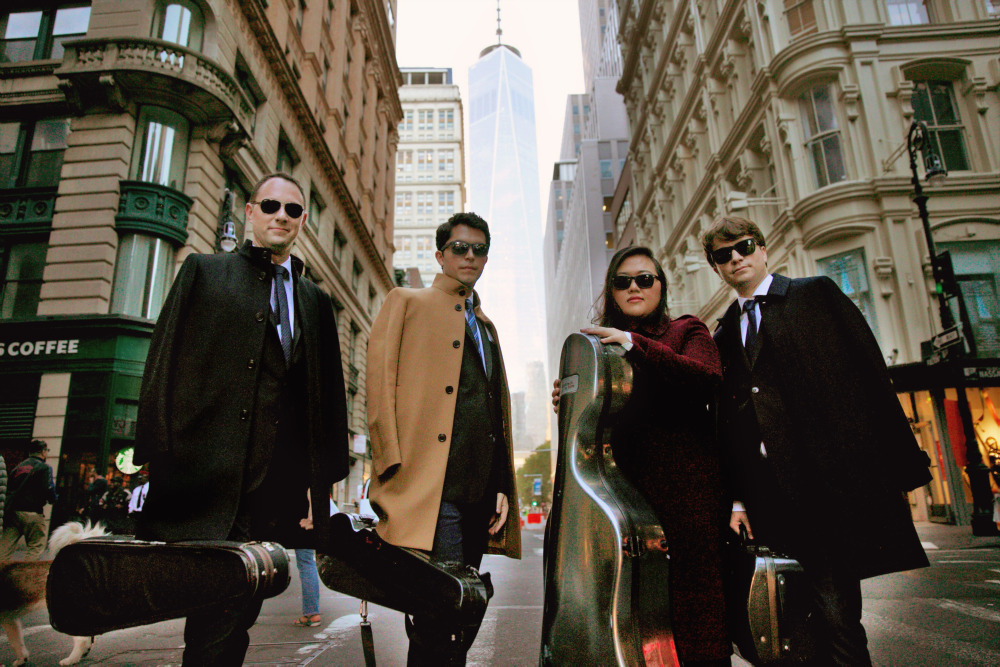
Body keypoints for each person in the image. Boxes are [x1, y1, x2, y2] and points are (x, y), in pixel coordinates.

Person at [134, 172, 349, 666]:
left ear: (301, 223)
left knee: (242, 608)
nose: (281, 216)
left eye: (293, 210)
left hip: (276, 488)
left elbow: (327, 403)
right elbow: (162, 362)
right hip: (206, 479)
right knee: (215, 610)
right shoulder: (203, 272)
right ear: (250, 212)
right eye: (271, 205)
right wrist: (157, 460)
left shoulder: (314, 300)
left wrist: (322, 491)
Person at [701, 216, 932, 666]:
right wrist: (735, 500)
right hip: (768, 502)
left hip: (825, 492)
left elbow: (869, 373)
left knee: (838, 615)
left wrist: (900, 465)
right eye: (723, 255)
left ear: (763, 249)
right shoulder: (724, 332)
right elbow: (724, 426)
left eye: (744, 247)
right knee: (791, 626)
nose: (736, 259)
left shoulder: (814, 295)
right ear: (716, 268)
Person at [551, 245, 732, 666]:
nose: (634, 287)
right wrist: (574, 397)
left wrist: (634, 344)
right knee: (629, 615)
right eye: (622, 281)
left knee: (696, 617)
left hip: (687, 496)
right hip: (620, 496)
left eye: (645, 279)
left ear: (661, 286)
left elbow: (707, 378)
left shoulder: (687, 330)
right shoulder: (597, 345)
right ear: (611, 291)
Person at [366, 212, 520, 665]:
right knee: (444, 611)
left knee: (461, 610)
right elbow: (379, 384)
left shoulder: (485, 326)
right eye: (459, 247)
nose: (469, 256)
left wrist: (501, 487)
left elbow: (494, 413)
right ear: (440, 254)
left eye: (478, 249)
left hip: (477, 495)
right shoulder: (406, 301)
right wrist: (391, 464)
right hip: (430, 490)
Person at [0, 439, 57, 561]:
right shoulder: (44, 468)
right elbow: (48, 489)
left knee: (5, 547)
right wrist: (53, 498)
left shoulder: (18, 467)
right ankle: (25, 575)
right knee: (36, 546)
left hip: (13, 513)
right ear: (43, 452)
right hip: (33, 513)